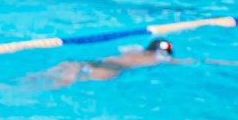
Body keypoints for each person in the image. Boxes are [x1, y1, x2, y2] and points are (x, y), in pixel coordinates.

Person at [42, 38, 175, 86]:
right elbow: (172, 61)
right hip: (112, 69)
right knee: (66, 83)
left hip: (96, 62)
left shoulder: (135, 50)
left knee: (55, 74)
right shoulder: (157, 58)